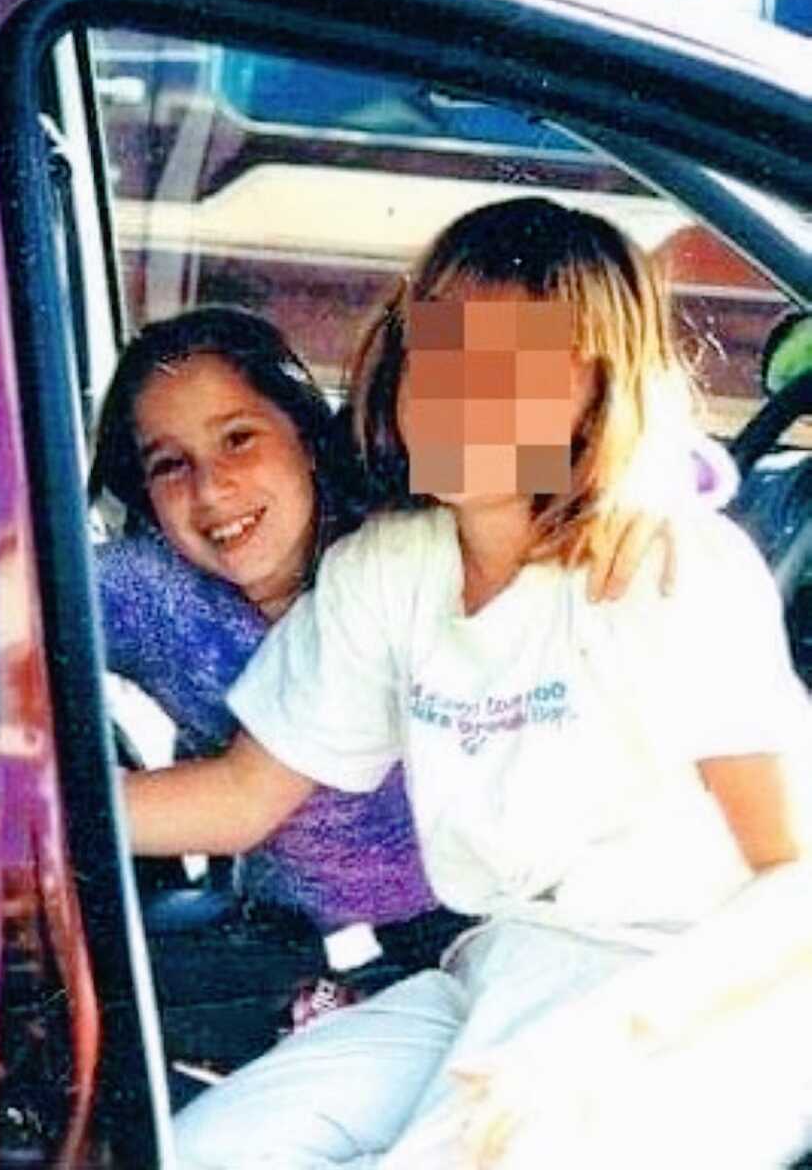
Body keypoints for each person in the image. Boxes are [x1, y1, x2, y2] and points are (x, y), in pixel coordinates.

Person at [124, 197, 811, 1169]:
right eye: (441, 357)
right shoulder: (391, 567)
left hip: (694, 998)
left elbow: (796, 882)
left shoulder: (669, 566)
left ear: (595, 394)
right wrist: (5, 803)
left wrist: (603, 1041)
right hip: (497, 965)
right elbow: (243, 796)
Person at [92, 303, 682, 939]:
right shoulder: (149, 589)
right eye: (169, 465)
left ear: (306, 438)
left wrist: (638, 491)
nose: (211, 489)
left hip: (501, 917)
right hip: (298, 942)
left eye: (239, 438)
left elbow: (546, 446)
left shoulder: (403, 533)